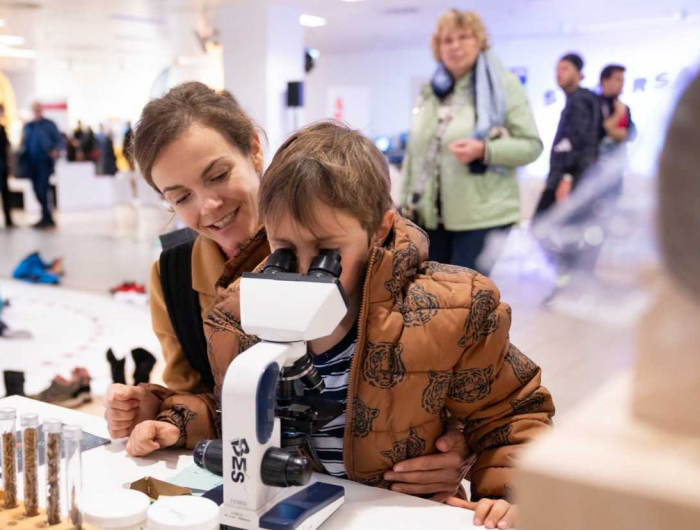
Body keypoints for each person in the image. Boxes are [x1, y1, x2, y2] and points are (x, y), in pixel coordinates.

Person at [124, 121, 556, 529]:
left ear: (379, 228)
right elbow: (231, 413)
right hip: (294, 508)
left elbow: (512, 412)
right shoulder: (238, 314)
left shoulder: (452, 311)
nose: (306, 269)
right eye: (285, 250)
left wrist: (506, 493)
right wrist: (176, 422)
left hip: (400, 519)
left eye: (327, 251)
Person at [104, 82, 474, 502]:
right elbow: (204, 396)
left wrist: (461, 445)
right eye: (182, 196)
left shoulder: (363, 248)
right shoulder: (172, 274)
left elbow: (467, 380)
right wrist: (155, 410)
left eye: (219, 175)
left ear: (255, 149)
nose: (207, 206)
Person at [400, 9, 542, 274]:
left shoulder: (504, 85)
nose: (455, 46)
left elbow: (531, 146)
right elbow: (415, 151)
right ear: (438, 47)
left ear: (479, 41)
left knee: (467, 301)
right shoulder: (430, 91)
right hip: (429, 217)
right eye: (447, 40)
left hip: (481, 217)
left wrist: (485, 150)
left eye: (463, 37)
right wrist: (403, 202)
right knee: (434, 298)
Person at [535, 53, 604, 215]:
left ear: (579, 73)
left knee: (543, 227)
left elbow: (577, 140)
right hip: (576, 178)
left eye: (565, 68)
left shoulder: (580, 101)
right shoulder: (583, 99)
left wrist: (567, 177)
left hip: (570, 180)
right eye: (557, 69)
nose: (559, 73)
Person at [21, 102, 63, 229]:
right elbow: (24, 143)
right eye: (34, 109)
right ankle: (46, 215)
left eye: (38, 109)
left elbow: (59, 141)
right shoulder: (28, 126)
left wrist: (55, 151)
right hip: (31, 162)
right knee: (36, 189)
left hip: (44, 162)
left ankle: (47, 216)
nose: (36, 111)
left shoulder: (49, 125)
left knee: (43, 188)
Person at [598, 64, 637, 156]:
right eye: (618, 80)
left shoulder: (624, 107)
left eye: (623, 80)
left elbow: (632, 134)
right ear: (605, 81)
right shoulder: (593, 104)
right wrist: (618, 114)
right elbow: (597, 131)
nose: (622, 84)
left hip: (620, 160)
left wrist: (611, 131)